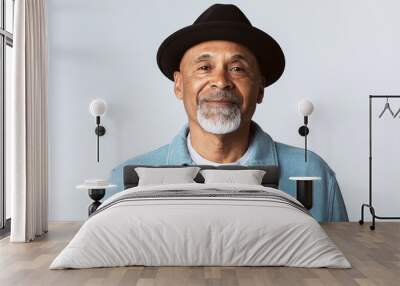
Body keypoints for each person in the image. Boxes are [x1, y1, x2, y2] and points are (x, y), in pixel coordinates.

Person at [109, 4, 348, 221]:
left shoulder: (312, 174)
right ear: (179, 85)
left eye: (237, 68)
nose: (221, 81)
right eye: (204, 67)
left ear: (260, 89)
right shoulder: (124, 181)